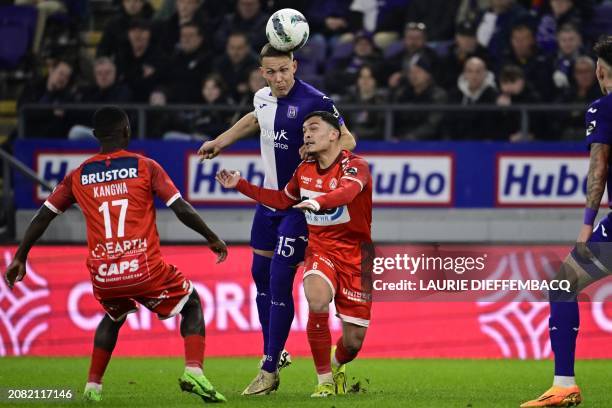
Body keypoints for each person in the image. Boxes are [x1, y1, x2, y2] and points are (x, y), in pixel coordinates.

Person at [4, 106, 228, 403]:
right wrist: (211, 237)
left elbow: (43, 216)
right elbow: (181, 208)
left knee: (114, 314)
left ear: (95, 136)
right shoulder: (145, 166)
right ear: (127, 131)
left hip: (103, 274)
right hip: (143, 268)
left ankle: (93, 387)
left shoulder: (78, 175)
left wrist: (20, 255)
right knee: (192, 303)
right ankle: (194, 372)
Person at [198, 43, 356, 395]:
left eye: (284, 70)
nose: (279, 78)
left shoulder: (316, 100)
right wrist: (221, 141)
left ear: (295, 66)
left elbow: (348, 138)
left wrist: (318, 147)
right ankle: (276, 351)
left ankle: (268, 369)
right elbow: (255, 118)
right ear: (262, 73)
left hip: (298, 208)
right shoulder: (262, 98)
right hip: (269, 204)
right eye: (271, 72)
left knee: (280, 279)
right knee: (260, 278)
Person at [216, 110, 372, 398]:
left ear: (334, 134)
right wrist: (240, 185)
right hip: (320, 249)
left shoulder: (356, 166)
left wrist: (318, 203)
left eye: (313, 129)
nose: (307, 135)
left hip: (356, 256)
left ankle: (337, 364)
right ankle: (324, 380)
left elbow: (347, 193)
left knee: (354, 341)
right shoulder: (303, 170)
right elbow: (281, 200)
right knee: (316, 300)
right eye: (304, 131)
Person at [520, 37, 612, 408]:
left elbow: (599, 167)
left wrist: (587, 225)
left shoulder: (603, 108)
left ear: (600, 71)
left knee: (562, 284)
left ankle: (564, 385)